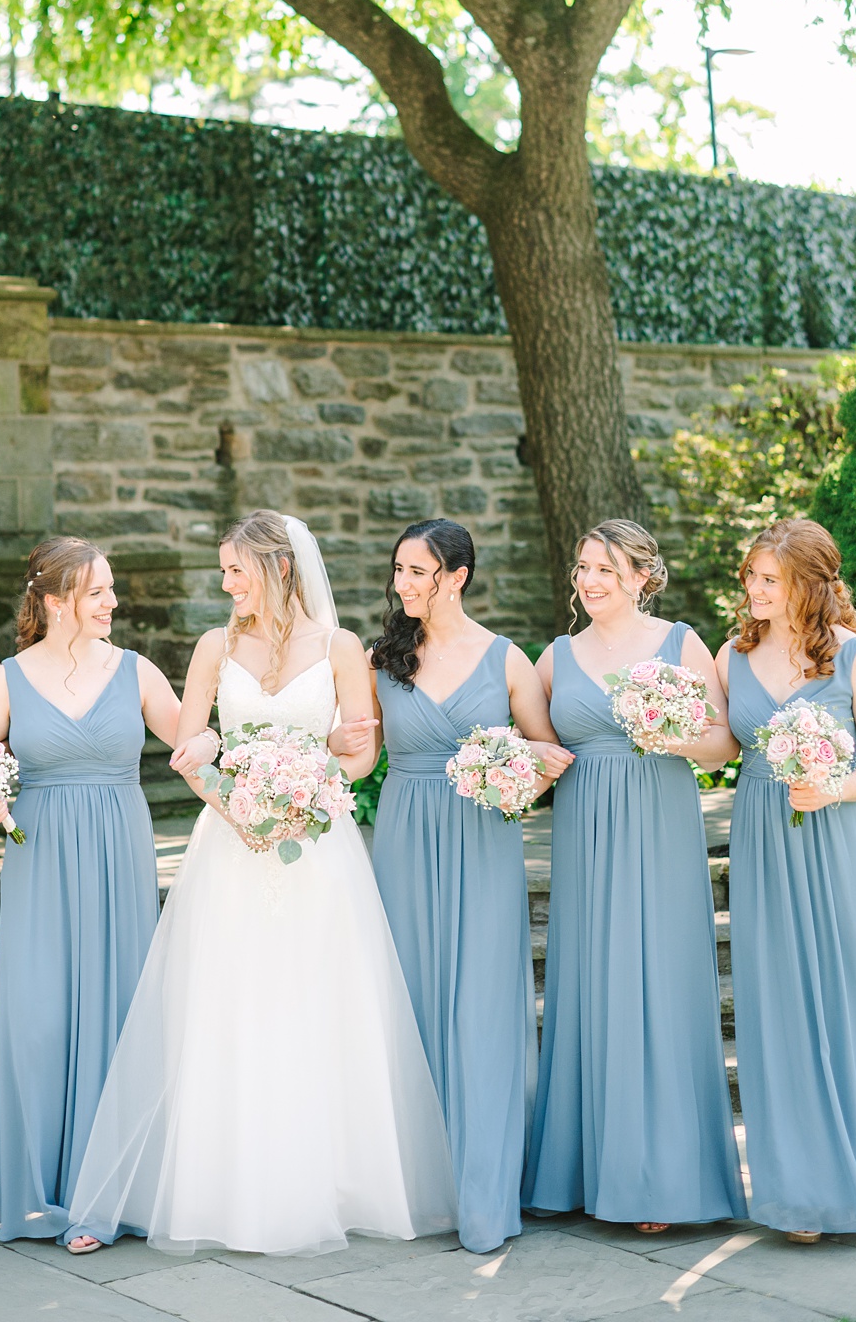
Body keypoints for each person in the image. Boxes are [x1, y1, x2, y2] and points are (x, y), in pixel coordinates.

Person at [64, 509, 455, 1255]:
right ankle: (222, 1185)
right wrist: (237, 802)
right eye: (223, 571)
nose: (226, 583)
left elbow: (360, 757)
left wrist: (309, 789)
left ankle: (333, 1183)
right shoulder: (215, 645)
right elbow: (189, 746)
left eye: (235, 570)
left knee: (318, 999)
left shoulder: (342, 647)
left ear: (277, 568)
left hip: (319, 845)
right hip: (231, 843)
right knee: (229, 1000)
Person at [524, 519, 746, 1231]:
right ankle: (586, 1171)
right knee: (591, 984)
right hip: (585, 833)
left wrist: (668, 734)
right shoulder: (555, 658)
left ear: (643, 578)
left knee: (658, 982)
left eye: (605, 571)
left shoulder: (681, 644)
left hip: (659, 828)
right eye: (583, 568)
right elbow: (536, 751)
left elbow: (721, 745)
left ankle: (660, 1177)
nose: (589, 582)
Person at [721, 518, 856, 1241]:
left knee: (846, 991)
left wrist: (832, 789)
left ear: (808, 585)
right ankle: (798, 1191)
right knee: (775, 999)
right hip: (759, 835)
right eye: (750, 576)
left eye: (768, 579)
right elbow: (724, 741)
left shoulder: (855, 660)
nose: (753, 589)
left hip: (831, 835)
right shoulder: (733, 655)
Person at [0, 537, 182, 1244]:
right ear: (54, 600)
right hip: (41, 860)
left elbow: (197, 747)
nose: (114, 602)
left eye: (112, 589)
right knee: (37, 1018)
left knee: (120, 1008)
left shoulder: (137, 671)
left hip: (119, 853)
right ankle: (39, 1189)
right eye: (98, 592)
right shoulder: (7, 678)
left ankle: (108, 1197)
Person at [369, 518, 572, 1254]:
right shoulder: (383, 658)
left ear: (456, 575)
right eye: (398, 570)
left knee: (483, 1005)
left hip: (483, 840)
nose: (402, 584)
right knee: (412, 996)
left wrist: (517, 766)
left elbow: (551, 753)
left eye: (417, 571)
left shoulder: (507, 659)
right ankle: (422, 1184)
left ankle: (486, 1190)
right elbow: (358, 750)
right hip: (404, 837)